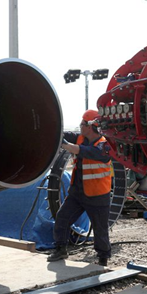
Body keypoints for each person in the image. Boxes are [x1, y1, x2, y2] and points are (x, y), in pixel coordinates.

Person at [47, 109, 112, 266]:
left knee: (100, 228)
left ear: (90, 126)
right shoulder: (80, 137)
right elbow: (62, 134)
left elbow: (83, 151)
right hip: (78, 192)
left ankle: (103, 257)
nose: (80, 126)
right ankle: (60, 248)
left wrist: (65, 145)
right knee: (62, 217)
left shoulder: (104, 146)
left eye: (82, 123)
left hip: (97, 195)